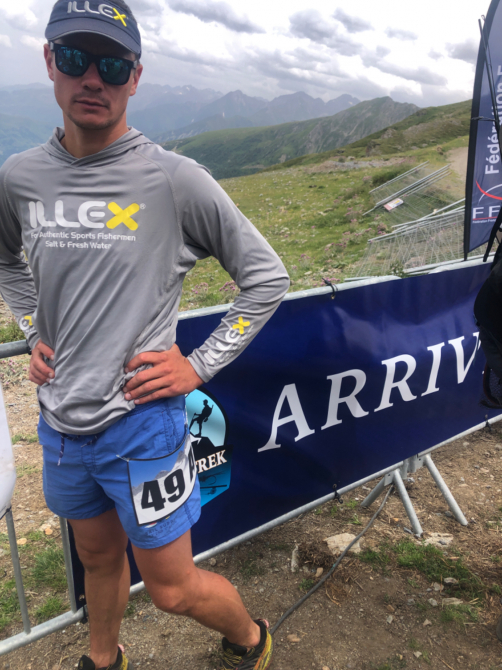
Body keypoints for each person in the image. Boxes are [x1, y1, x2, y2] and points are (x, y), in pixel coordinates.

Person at [0, 1, 290, 668]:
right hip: (60, 425)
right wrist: (32, 327)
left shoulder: (174, 179)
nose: (92, 78)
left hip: (142, 426)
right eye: (76, 58)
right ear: (49, 61)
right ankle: (104, 660)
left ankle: (252, 638)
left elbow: (266, 278)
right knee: (97, 558)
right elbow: (5, 259)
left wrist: (199, 366)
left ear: (135, 76)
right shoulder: (18, 177)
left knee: (171, 589)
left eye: (112, 65)